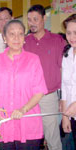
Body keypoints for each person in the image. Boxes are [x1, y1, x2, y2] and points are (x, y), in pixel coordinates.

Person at [0, 19, 47, 150]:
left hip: (28, 121)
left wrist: (23, 109)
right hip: (3, 122)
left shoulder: (33, 60)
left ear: (24, 37)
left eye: (20, 34)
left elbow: (39, 91)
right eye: (12, 34)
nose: (16, 38)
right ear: (4, 38)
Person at [23, 4, 66, 150]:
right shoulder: (24, 42)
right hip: (27, 97)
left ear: (44, 18)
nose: (32, 23)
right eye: (29, 20)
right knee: (28, 136)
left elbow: (65, 70)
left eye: (35, 19)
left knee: (52, 136)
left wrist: (63, 98)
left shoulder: (57, 41)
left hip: (48, 96)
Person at [61, 14, 76, 148]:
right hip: (72, 115)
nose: (72, 37)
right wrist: (65, 116)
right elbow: (65, 88)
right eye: (69, 33)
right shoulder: (67, 54)